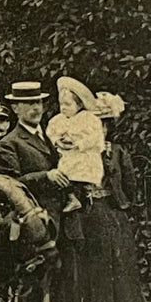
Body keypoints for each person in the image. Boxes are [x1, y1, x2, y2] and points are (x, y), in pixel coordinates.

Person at [0, 80, 92, 302]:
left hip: (64, 219)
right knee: (32, 282)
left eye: (38, 103)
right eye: (28, 104)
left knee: (66, 281)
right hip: (35, 223)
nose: (35, 108)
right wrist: (45, 177)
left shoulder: (52, 135)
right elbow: (11, 184)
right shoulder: (9, 143)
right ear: (15, 107)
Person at [72, 92, 151, 302]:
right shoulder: (76, 152)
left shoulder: (116, 152)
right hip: (86, 213)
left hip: (111, 213)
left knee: (119, 267)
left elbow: (130, 184)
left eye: (101, 126)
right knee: (90, 270)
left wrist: (122, 205)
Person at [46, 77, 105, 213]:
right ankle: (72, 197)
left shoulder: (89, 119)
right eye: (61, 104)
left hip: (84, 154)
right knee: (61, 173)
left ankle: (82, 196)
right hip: (66, 153)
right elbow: (50, 133)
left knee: (75, 170)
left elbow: (95, 138)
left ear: (78, 105)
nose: (64, 108)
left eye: (68, 104)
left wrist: (78, 144)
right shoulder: (57, 120)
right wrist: (57, 141)